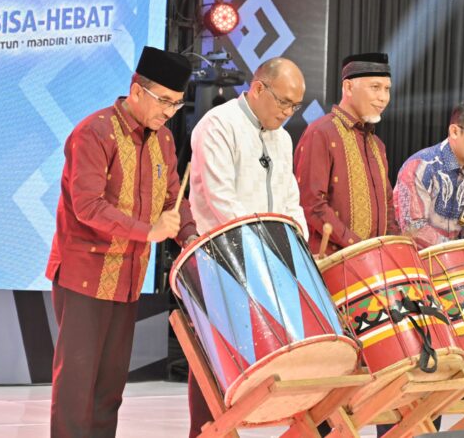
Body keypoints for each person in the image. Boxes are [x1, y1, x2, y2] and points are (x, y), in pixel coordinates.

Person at [45, 46, 197, 437]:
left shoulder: (162, 141)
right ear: (136, 91)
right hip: (84, 275)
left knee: (110, 389)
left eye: (177, 105)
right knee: (77, 388)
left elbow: (172, 200)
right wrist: (148, 231)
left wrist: (192, 238)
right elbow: (88, 206)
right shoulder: (94, 132)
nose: (168, 112)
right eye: (164, 101)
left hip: (128, 279)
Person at [186, 57, 307, 437]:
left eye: (295, 107)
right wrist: (260, 252)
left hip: (271, 262)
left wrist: (297, 243)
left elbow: (290, 198)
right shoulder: (218, 125)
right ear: (257, 88)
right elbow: (222, 201)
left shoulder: (283, 138)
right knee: (215, 365)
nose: (288, 113)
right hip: (222, 260)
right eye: (284, 103)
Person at [294, 52, 399, 257]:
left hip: (374, 265)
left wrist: (395, 246)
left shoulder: (377, 145)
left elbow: (388, 206)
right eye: (375, 87)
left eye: (387, 89)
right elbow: (311, 203)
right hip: (332, 265)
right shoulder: (321, 132)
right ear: (349, 87)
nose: (383, 97)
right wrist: (358, 247)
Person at [393, 100, 464, 249]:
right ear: (454, 131)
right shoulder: (421, 166)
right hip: (411, 261)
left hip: (449, 260)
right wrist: (456, 249)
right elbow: (414, 228)